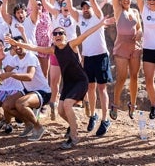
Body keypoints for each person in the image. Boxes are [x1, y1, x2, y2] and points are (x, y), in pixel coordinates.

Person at [7, 17, 116, 149]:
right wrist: (17, 43)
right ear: (53, 37)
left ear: (65, 36)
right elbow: (34, 47)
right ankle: (73, 124)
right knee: (60, 110)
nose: (57, 35)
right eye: (55, 34)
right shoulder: (54, 50)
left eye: (60, 33)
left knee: (68, 105)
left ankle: (74, 137)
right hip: (68, 83)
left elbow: (87, 33)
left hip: (80, 81)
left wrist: (100, 24)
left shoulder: (72, 45)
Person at [66, 0, 112, 137]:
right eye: (83, 7)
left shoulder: (97, 16)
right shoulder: (80, 19)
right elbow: (70, 8)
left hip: (101, 56)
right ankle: (93, 114)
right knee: (90, 88)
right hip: (88, 57)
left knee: (102, 88)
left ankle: (105, 118)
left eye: (88, 7)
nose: (86, 9)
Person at [40, 0, 79, 120]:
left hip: (71, 50)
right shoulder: (56, 12)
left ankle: (73, 102)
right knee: (54, 79)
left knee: (73, 77)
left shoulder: (75, 14)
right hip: (56, 50)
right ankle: (52, 104)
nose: (63, 1)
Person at [2, 33, 51, 142]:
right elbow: (5, 71)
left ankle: (39, 127)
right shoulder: (15, 59)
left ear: (24, 44)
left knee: (20, 103)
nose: (18, 47)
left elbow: (29, 76)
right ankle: (28, 124)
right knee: (6, 105)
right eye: (15, 46)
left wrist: (11, 75)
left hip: (43, 91)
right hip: (27, 90)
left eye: (20, 45)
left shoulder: (31, 57)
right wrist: (0, 58)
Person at [111, 0, 143, 121]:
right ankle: (115, 105)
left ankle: (133, 105)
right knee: (122, 77)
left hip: (135, 47)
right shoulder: (118, 11)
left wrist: (139, 33)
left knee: (135, 76)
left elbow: (140, 28)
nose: (125, 0)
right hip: (122, 46)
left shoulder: (135, 11)